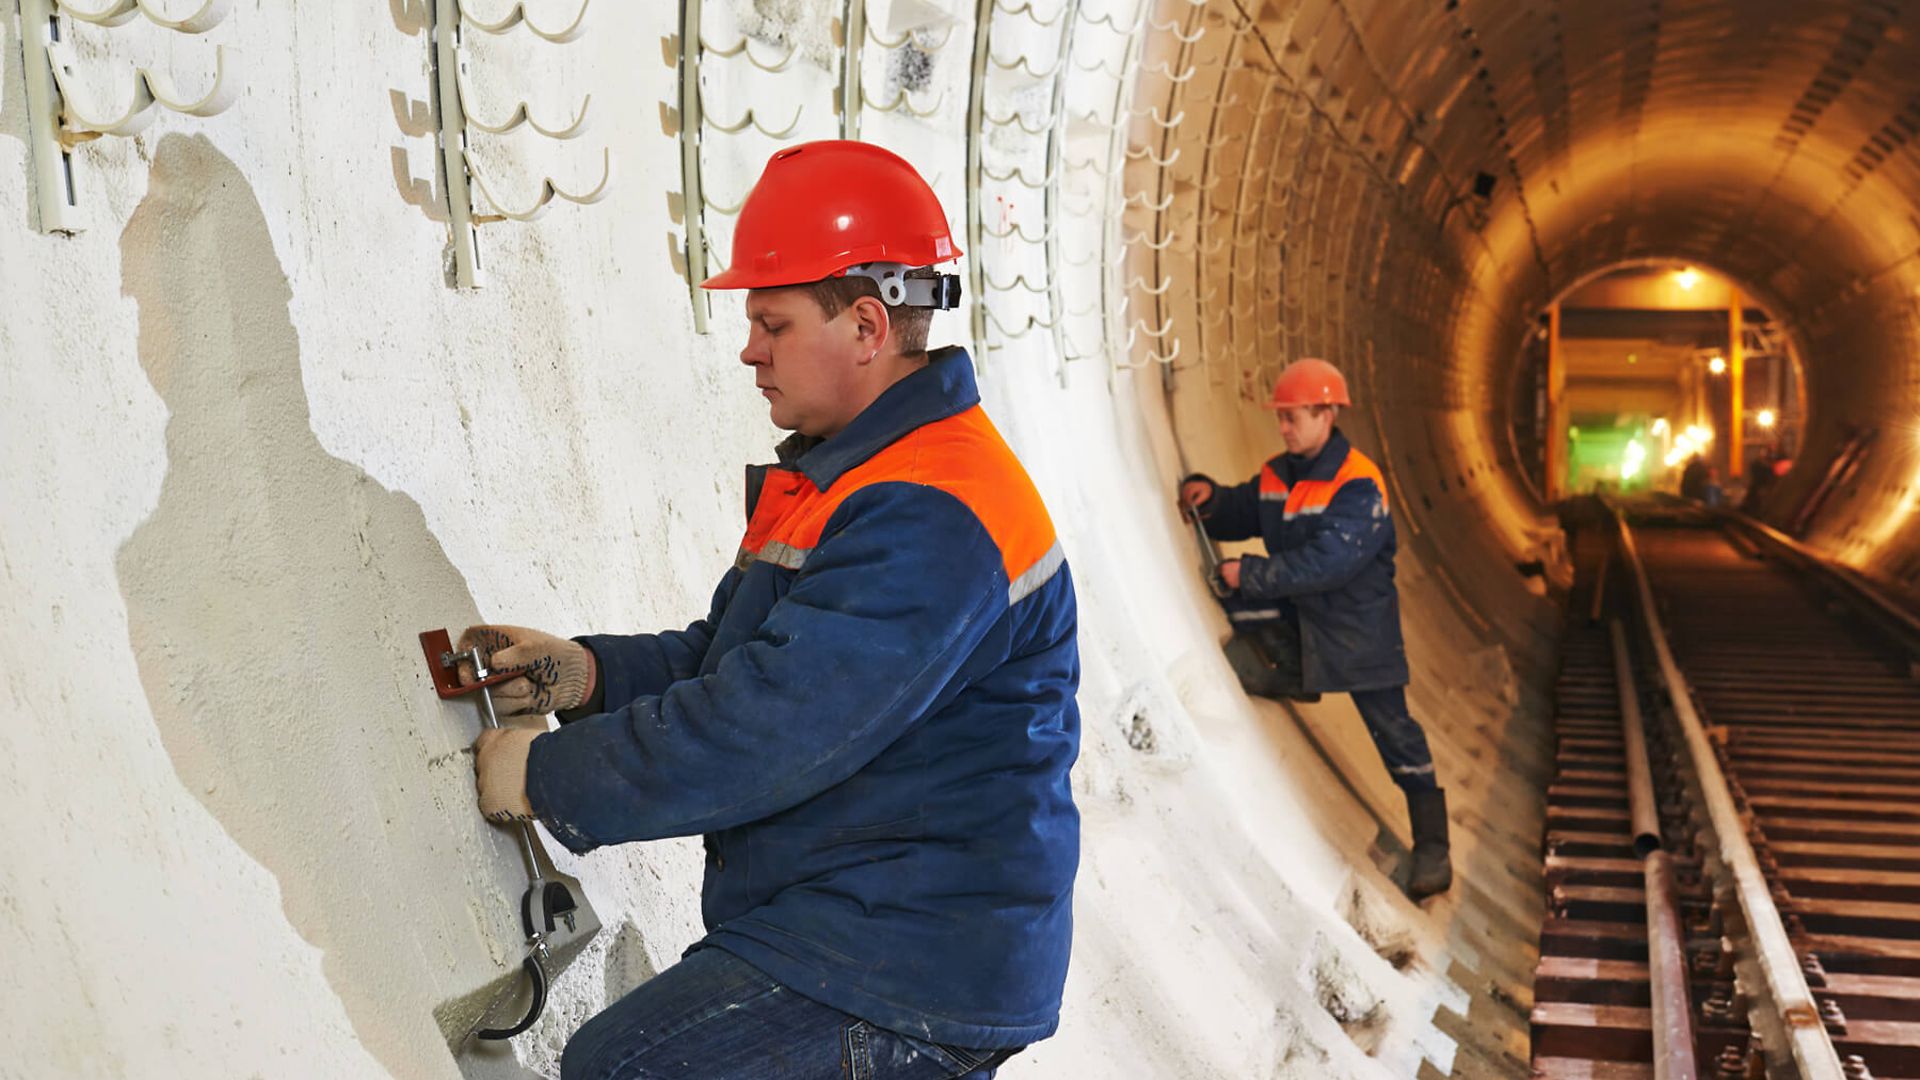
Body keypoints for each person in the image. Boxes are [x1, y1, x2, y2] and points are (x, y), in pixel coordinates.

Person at [458, 141, 1081, 1080]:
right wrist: (587, 675)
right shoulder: (851, 471)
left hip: (910, 955)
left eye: (773, 323)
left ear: (868, 326)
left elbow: (773, 725)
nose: (749, 349)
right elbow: (739, 660)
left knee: (627, 1068)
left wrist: (547, 776)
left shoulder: (934, 513)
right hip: (872, 922)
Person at [1178, 359, 1450, 901]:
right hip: (1304, 620)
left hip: (1359, 635)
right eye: (1280, 418)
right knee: (1231, 599)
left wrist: (1252, 571)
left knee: (1396, 737)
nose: (1284, 428)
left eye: (1294, 417)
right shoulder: (1282, 473)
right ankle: (1293, 673)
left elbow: (1330, 562)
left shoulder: (1359, 484)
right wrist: (1211, 499)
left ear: (1328, 414)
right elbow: (1245, 509)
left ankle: (1433, 847)